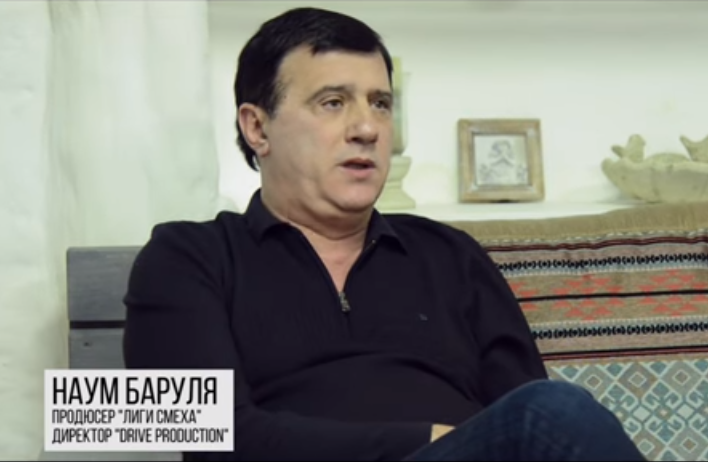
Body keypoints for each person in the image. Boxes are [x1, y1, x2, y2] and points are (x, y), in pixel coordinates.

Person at [122, 7, 646, 462]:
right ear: (257, 128)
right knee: (550, 412)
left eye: (380, 103)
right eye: (333, 102)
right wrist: (426, 439)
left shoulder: (451, 255)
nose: (368, 128)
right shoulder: (187, 258)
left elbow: (525, 422)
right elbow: (216, 439)